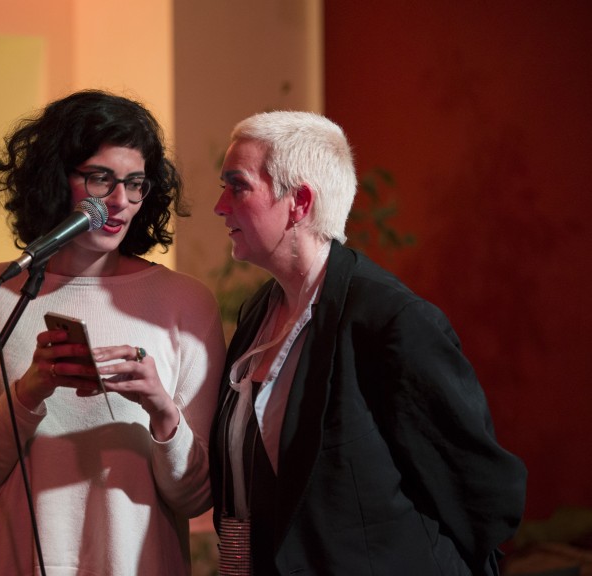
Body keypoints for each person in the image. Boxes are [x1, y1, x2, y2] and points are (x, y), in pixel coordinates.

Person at [208, 110, 527, 575]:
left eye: (237, 186)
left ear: (298, 202)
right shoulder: (259, 311)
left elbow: (482, 490)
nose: (220, 205)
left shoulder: (390, 320)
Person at [0, 90, 226, 575]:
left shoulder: (185, 302)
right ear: (55, 177)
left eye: (135, 184)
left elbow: (197, 496)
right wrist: (27, 393)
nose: (119, 202)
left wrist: (162, 410)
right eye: (100, 179)